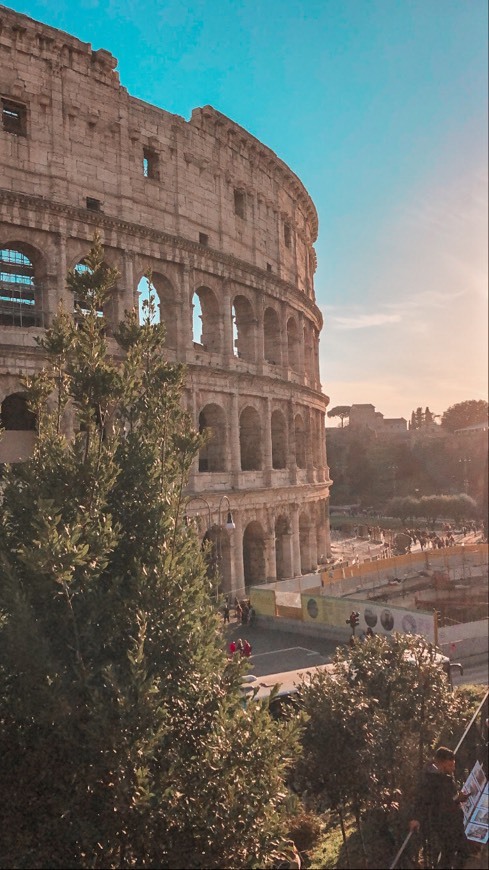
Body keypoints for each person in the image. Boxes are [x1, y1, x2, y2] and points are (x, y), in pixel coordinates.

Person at [409, 746, 470, 869]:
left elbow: (448, 798)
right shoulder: (430, 780)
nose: (453, 767)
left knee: (460, 852)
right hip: (443, 823)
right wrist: (416, 818)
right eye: (451, 764)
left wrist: (458, 798)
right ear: (442, 763)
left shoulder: (446, 777)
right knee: (449, 854)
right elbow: (422, 800)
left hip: (454, 821)